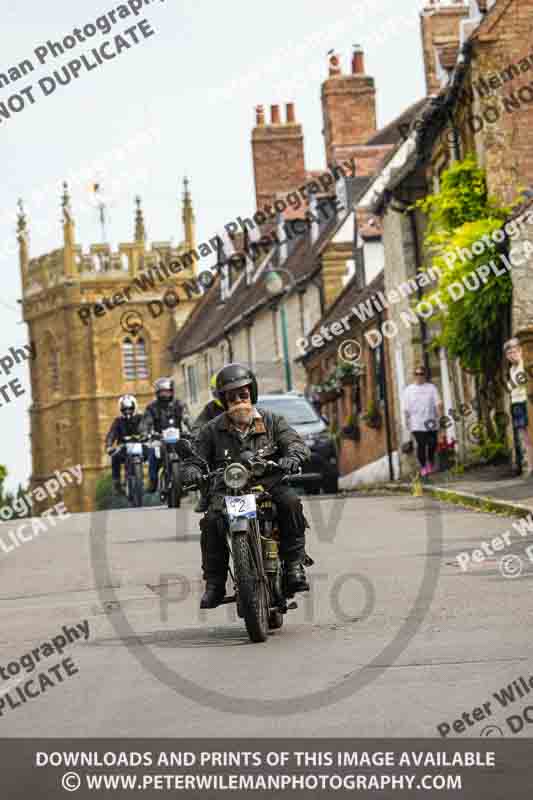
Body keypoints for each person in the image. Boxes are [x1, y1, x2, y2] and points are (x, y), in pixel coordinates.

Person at [183, 362, 311, 609]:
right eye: (232, 396)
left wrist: (292, 457)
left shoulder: (272, 420)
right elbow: (195, 458)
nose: (239, 400)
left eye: (243, 394)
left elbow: (294, 442)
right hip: (230, 490)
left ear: (251, 393)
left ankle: (294, 565)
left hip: (268, 484)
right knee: (211, 522)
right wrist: (192, 471)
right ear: (224, 400)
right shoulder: (212, 429)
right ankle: (215, 584)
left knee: (291, 503)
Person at [140, 377, 188, 493]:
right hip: (159, 438)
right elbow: (145, 422)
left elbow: (187, 418)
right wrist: (145, 433)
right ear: (157, 393)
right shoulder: (151, 407)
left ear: (171, 391)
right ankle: (153, 481)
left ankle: (188, 481)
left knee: (190, 451)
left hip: (178, 438)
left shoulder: (179, 404)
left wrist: (193, 430)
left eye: (167, 391)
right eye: (162, 392)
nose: (164, 394)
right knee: (153, 453)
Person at [191, 373, 225, 513]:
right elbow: (197, 425)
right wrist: (197, 434)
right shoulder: (210, 409)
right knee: (205, 463)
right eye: (218, 392)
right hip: (219, 449)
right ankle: (205, 496)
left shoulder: (245, 405)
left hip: (243, 446)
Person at [403, 364, 443, 477]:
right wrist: (407, 422)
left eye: (421, 374)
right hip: (416, 423)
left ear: (425, 375)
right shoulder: (408, 390)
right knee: (421, 444)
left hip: (431, 422)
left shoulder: (431, 388)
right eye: (416, 374)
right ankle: (424, 466)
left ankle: (430, 461)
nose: (419, 376)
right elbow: (406, 409)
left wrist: (440, 417)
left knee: (432, 443)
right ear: (413, 376)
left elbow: (438, 403)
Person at [504, 338, 533, 477]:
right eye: (509, 353)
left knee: (530, 434)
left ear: (520, 351)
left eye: (514, 352)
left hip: (525, 401)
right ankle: (530, 466)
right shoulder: (511, 369)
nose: (511, 355)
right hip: (516, 404)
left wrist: (511, 385)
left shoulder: (524, 364)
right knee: (524, 437)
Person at [105, 395, 145, 494]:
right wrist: (109, 446)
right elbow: (111, 434)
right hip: (123, 448)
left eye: (130, 409)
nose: (127, 411)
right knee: (114, 457)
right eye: (125, 409)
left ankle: (156, 480)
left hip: (141, 446)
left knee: (155, 453)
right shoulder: (118, 421)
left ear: (134, 407)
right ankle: (116, 483)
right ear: (121, 409)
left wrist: (150, 437)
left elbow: (147, 428)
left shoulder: (141, 418)